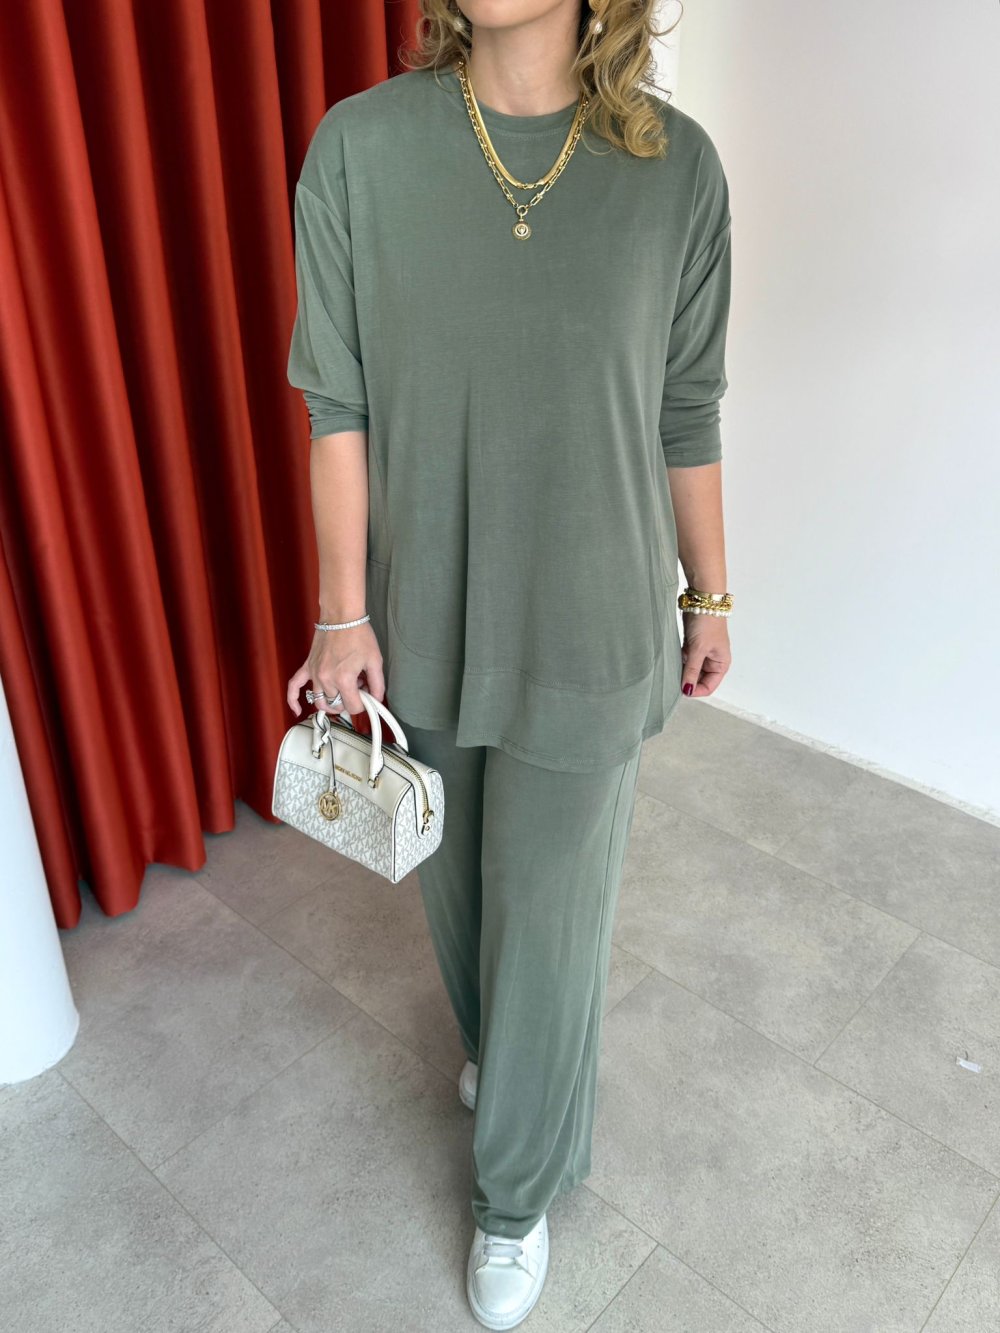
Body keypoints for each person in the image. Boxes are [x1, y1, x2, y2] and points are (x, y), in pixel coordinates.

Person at [284, 1, 734, 1326]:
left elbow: (687, 406)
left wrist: (709, 591)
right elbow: (338, 403)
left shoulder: (678, 171)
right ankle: (509, 1061)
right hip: (423, 607)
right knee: (462, 891)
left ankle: (515, 1190)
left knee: (548, 910)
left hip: (594, 616)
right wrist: (342, 613)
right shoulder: (360, 149)